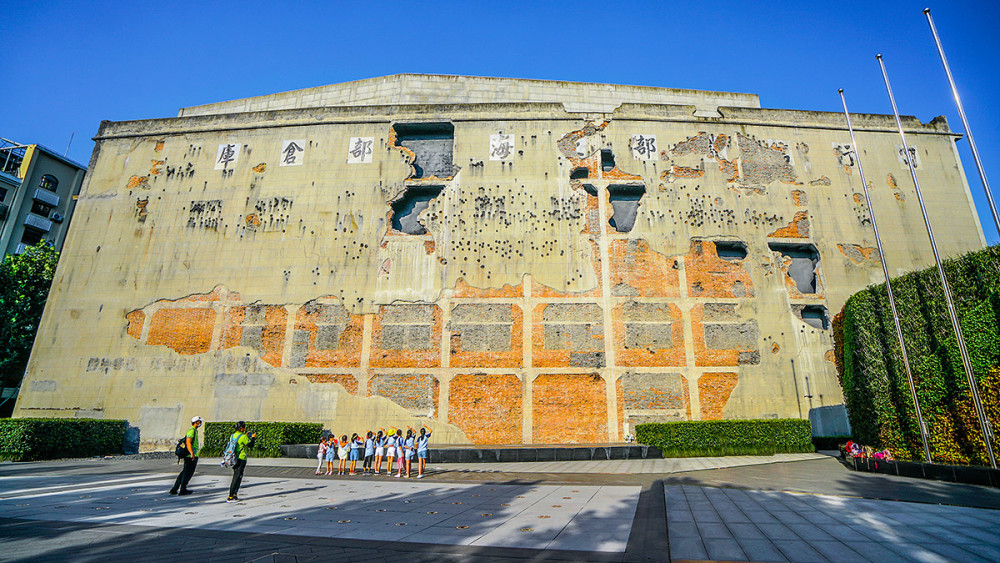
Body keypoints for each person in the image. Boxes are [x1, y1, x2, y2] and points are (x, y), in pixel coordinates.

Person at [170, 416, 203, 495]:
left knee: (184, 472)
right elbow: (188, 442)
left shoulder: (193, 431)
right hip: (190, 456)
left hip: (190, 455)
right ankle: (183, 489)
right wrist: (192, 453)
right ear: (196, 422)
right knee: (188, 473)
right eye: (199, 421)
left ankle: (175, 489)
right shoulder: (192, 431)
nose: (200, 423)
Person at [226, 421, 257, 503]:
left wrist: (246, 436)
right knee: (237, 477)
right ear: (241, 428)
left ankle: (235, 494)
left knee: (237, 475)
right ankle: (230, 496)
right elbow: (250, 445)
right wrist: (253, 437)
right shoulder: (243, 436)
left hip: (234, 458)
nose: (245, 428)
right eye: (244, 427)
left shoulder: (233, 435)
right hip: (241, 458)